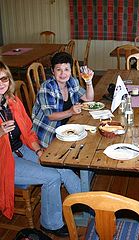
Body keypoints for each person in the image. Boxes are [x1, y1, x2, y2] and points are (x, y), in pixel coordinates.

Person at [0, 61, 82, 237]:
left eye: (3, 78)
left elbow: (28, 132)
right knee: (52, 176)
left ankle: (91, 205)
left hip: (21, 148)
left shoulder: (12, 101)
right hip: (4, 160)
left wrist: (39, 151)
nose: (1, 83)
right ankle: (50, 224)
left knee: (62, 168)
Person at [32, 51, 94, 148]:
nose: (63, 73)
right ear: (53, 71)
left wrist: (89, 81)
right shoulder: (47, 87)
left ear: (70, 70)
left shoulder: (72, 81)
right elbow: (50, 116)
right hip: (48, 134)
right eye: (58, 70)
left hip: (68, 128)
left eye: (66, 69)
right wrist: (70, 111)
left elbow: (88, 98)